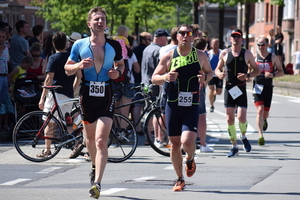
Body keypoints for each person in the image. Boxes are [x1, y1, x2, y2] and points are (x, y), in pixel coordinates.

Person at [64, 6, 124, 199]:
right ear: (89, 24)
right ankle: (93, 164)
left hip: (106, 93)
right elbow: (67, 69)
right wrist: (78, 65)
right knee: (89, 140)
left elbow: (121, 65)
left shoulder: (114, 45)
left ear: (106, 24)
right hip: (87, 94)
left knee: (100, 140)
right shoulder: (79, 45)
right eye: (96, 19)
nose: (100, 22)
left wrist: (118, 72)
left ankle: (97, 182)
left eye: (103, 19)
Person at [151, 24, 213, 191]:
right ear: (177, 36)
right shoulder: (169, 56)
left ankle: (191, 158)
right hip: (172, 103)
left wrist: (205, 77)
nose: (185, 36)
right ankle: (179, 178)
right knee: (175, 143)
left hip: (192, 103)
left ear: (193, 37)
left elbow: (210, 72)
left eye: (189, 33)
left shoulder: (200, 55)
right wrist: (165, 76)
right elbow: (154, 78)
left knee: (187, 141)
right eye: (182, 33)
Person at [215, 29, 260, 157]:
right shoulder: (224, 53)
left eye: (238, 37)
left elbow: (257, 70)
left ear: (242, 39)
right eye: (233, 37)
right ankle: (234, 146)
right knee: (229, 118)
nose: (235, 39)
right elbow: (217, 69)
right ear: (230, 39)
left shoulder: (247, 54)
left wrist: (247, 75)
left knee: (241, 117)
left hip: (240, 88)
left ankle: (243, 136)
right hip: (229, 89)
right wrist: (219, 74)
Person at [37, 31, 80, 157]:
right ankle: (76, 145)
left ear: (53, 44)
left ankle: (47, 149)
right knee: (68, 121)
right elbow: (79, 76)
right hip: (68, 94)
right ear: (66, 43)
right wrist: (73, 89)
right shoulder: (72, 58)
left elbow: (48, 79)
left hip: (55, 94)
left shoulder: (53, 58)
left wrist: (42, 98)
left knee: (49, 121)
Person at [253, 36, 284, 145]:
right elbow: (248, 71)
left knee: (265, 113)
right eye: (259, 45)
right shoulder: (254, 57)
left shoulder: (273, 57)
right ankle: (260, 135)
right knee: (260, 109)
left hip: (268, 88)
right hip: (257, 87)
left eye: (263, 44)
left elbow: (281, 71)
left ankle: (264, 120)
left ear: (267, 45)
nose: (261, 47)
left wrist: (272, 74)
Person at [141, 28, 169, 146]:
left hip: (145, 83)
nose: (167, 41)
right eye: (166, 39)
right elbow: (160, 69)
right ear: (161, 38)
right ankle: (157, 137)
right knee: (157, 111)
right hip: (154, 84)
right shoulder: (158, 50)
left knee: (148, 110)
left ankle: (148, 136)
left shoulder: (147, 48)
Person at [193, 37, 214, 153]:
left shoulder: (184, 54)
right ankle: (202, 143)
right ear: (205, 47)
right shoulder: (202, 56)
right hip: (197, 89)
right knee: (201, 116)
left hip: (181, 90)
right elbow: (209, 72)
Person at [132, 31, 152, 136]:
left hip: (137, 79)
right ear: (143, 40)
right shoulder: (145, 50)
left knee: (138, 104)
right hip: (140, 80)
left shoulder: (135, 50)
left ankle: (137, 126)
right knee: (140, 104)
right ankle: (138, 128)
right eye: (148, 39)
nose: (150, 41)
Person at [0, 28, 14, 132]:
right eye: (0, 37)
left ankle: (4, 124)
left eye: (3, 37)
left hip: (4, 76)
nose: (1, 39)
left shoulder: (6, 47)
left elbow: (7, 62)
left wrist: (9, 76)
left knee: (5, 101)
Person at [207, 38, 223, 112]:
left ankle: (214, 94)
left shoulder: (222, 53)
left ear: (218, 44)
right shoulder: (209, 54)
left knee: (219, 92)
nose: (215, 45)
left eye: (216, 43)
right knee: (211, 89)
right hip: (211, 75)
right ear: (211, 45)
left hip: (219, 75)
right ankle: (211, 105)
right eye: (213, 43)